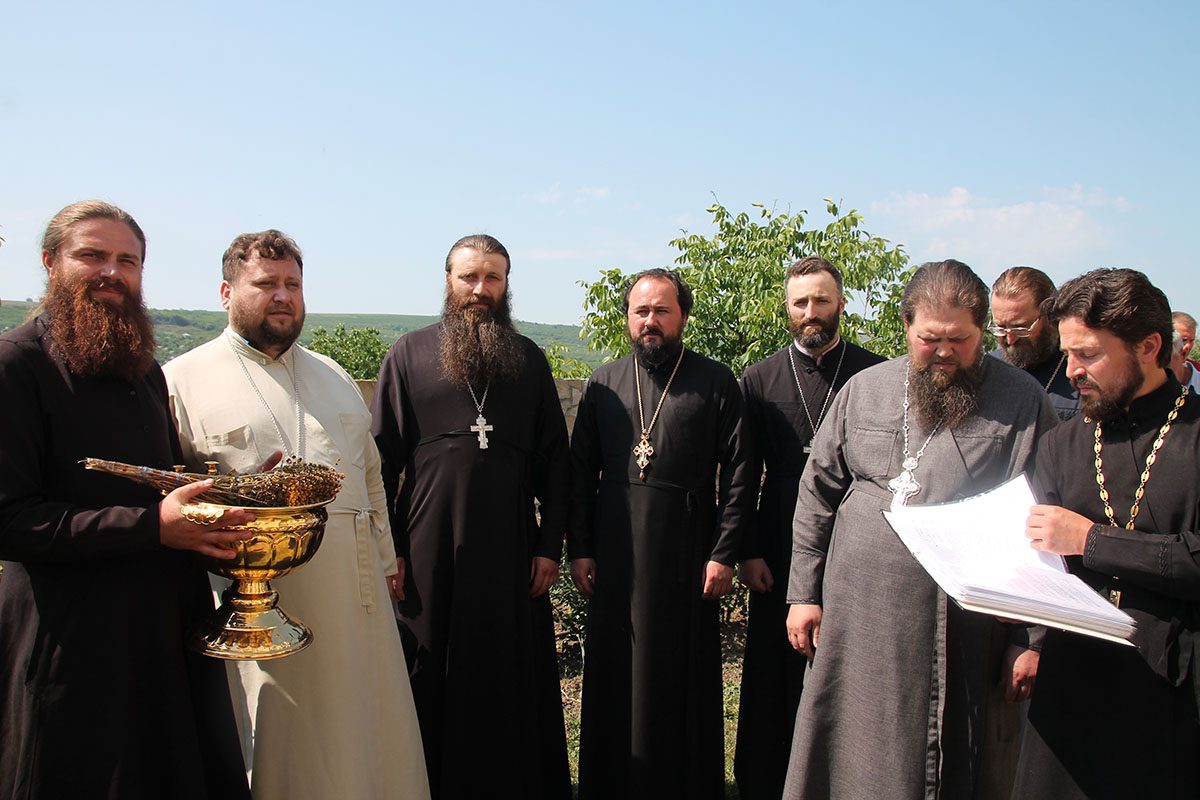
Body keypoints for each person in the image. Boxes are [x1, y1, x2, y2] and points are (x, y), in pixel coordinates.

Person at [163, 229, 429, 800]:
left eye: (293, 284)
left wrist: (387, 561)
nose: (282, 296)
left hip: (358, 595)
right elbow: (171, 497)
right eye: (265, 283)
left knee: (372, 735)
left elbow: (371, 475)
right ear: (226, 292)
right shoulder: (182, 379)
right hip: (259, 607)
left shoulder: (334, 375)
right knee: (283, 745)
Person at [0, 201, 251, 798]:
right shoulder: (16, 364)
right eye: (92, 255)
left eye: (127, 260)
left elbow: (160, 487)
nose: (112, 272)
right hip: (71, 639)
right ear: (50, 262)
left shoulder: (143, 370)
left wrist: (232, 499)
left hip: (163, 632)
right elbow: (9, 519)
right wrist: (151, 527)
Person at [782, 260, 1058, 800]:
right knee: (853, 748)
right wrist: (803, 594)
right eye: (930, 338)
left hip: (967, 627)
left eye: (960, 339)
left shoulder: (1023, 401)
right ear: (906, 326)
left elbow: (1044, 521)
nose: (944, 352)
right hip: (859, 618)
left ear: (983, 331)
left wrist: (1030, 639)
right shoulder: (864, 390)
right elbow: (816, 493)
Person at [371, 234, 570, 800]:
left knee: (506, 670)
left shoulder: (528, 359)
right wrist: (390, 549)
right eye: (469, 277)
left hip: (511, 549)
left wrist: (547, 547)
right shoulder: (408, 354)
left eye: (493, 278)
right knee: (427, 669)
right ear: (448, 281)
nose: (481, 289)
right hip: (427, 550)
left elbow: (556, 464)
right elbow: (379, 463)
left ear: (506, 285)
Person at [1013, 268, 1200, 799]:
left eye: (1088, 354)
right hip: (1071, 687)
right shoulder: (1063, 443)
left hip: (1174, 695)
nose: (1071, 370)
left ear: (1149, 347)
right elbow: (1042, 562)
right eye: (1068, 353)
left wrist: (1091, 541)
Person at [569, 268, 754, 800]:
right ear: (628, 318)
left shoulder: (715, 381)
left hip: (686, 551)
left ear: (683, 317)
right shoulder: (603, 383)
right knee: (617, 667)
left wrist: (723, 552)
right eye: (641, 311)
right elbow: (579, 472)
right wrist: (580, 548)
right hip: (616, 549)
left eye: (661, 311)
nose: (650, 321)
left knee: (678, 671)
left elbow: (740, 472)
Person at [733, 256, 885, 800]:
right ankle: (767, 780)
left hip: (852, 532)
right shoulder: (759, 378)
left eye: (821, 300)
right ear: (786, 307)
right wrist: (747, 549)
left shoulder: (873, 375)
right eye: (800, 302)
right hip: (776, 535)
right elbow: (742, 473)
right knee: (774, 664)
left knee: (847, 658)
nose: (811, 311)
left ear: (841, 303)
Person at [989, 266, 1080, 420]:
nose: (1010, 339)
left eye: (1021, 328)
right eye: (1001, 328)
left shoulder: (1079, 373)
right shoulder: (987, 372)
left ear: (1050, 316)